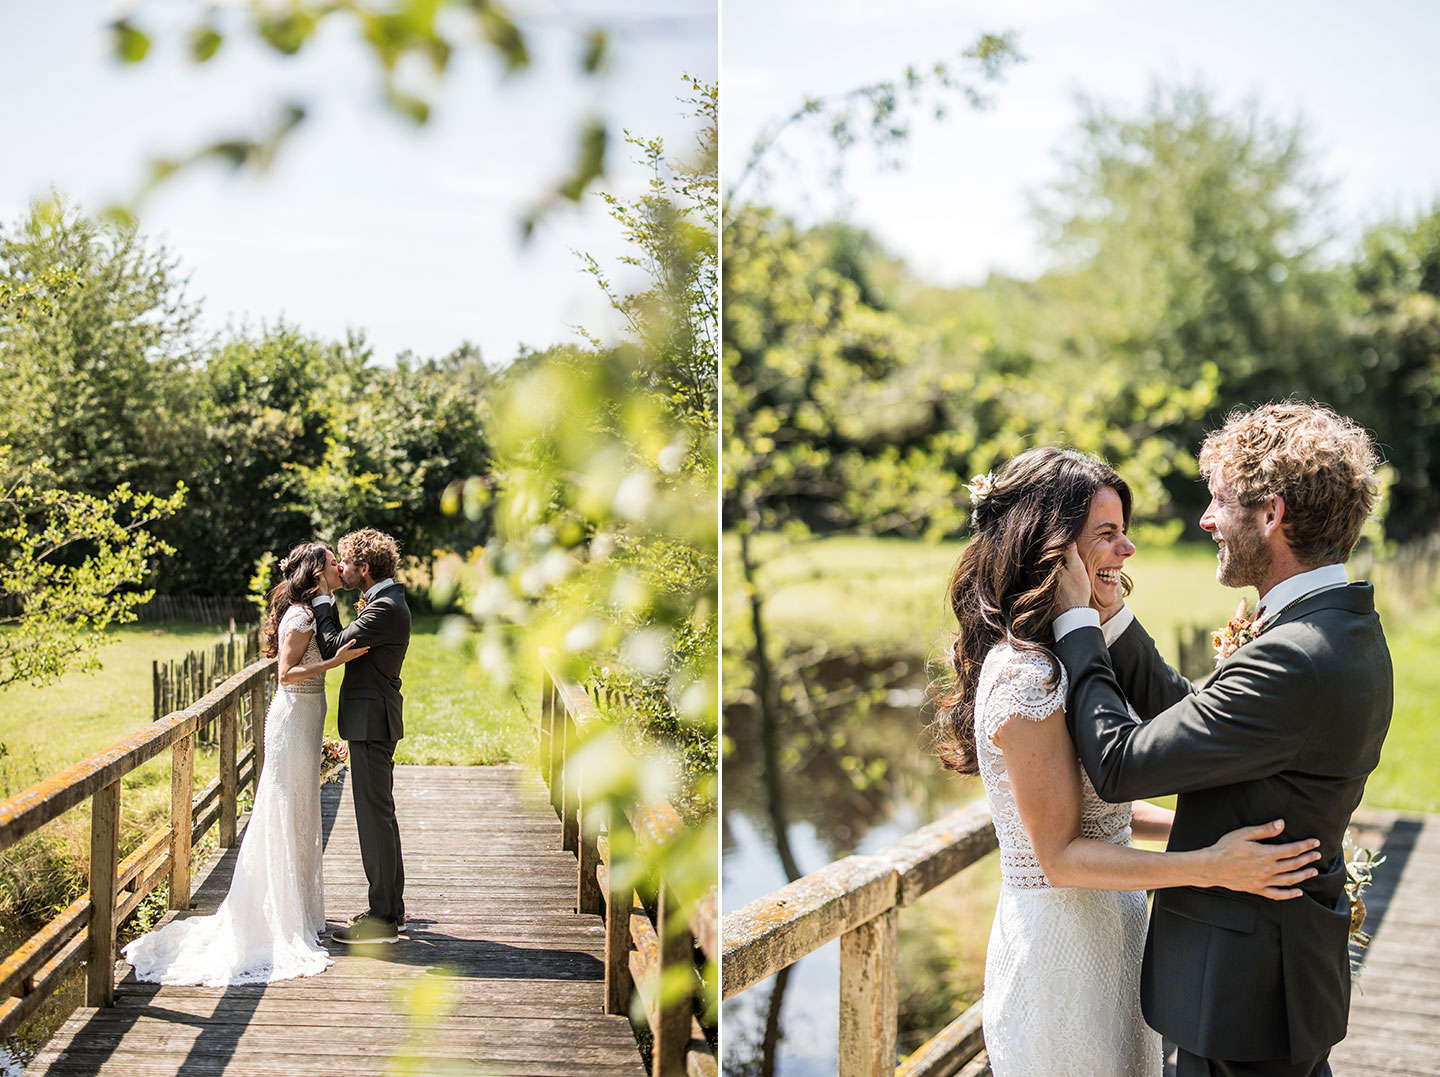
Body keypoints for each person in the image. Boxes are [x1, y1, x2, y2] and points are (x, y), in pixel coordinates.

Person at [932, 446, 1321, 1077]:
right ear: (1053, 549)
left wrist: (1217, 837)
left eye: (1124, 532)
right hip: (1060, 956)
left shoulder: (1068, 655)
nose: (1127, 549)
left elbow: (1100, 813)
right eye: (1107, 534)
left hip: (1115, 933)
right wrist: (1210, 867)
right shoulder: (1024, 675)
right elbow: (1058, 857)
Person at [1051, 402, 1393, 1077]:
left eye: (1219, 501)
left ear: (1272, 515)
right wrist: (1115, 616)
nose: (1206, 520)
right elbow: (1206, 725)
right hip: (1269, 987)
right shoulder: (1339, 628)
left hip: (1245, 998)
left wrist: (1077, 623)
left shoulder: (1296, 654)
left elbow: (1120, 764)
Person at [123, 543, 370, 985]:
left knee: (300, 813)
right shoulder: (300, 617)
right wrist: (337, 660)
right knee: (283, 810)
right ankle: (274, 918)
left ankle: (298, 909)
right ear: (316, 572)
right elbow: (285, 674)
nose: (339, 564)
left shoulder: (316, 609)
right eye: (332, 560)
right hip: (293, 718)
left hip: (310, 718)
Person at [310, 527, 411, 944]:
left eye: (346, 563)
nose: (341, 568)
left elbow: (334, 644)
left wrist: (320, 599)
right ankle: (391, 910)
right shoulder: (384, 601)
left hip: (373, 725)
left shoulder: (384, 608)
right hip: (372, 721)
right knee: (379, 818)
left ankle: (383, 920)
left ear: (365, 568)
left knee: (375, 820)